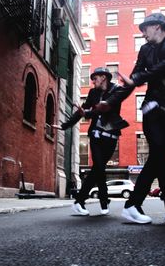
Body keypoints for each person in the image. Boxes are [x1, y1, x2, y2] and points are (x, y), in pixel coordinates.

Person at [118, 13, 165, 224]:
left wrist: (138, 79)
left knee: (158, 155)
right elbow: (134, 76)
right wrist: (114, 97)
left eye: (145, 28)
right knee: (159, 152)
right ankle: (133, 204)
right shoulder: (145, 50)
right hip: (152, 107)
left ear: (158, 27)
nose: (142, 33)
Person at [53, 67, 131, 216]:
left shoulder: (116, 90)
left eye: (94, 78)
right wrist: (65, 125)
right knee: (99, 167)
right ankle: (80, 201)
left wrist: (88, 113)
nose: (92, 81)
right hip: (96, 135)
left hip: (111, 136)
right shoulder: (93, 93)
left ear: (103, 77)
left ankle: (103, 200)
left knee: (98, 169)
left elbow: (106, 108)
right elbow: (82, 110)